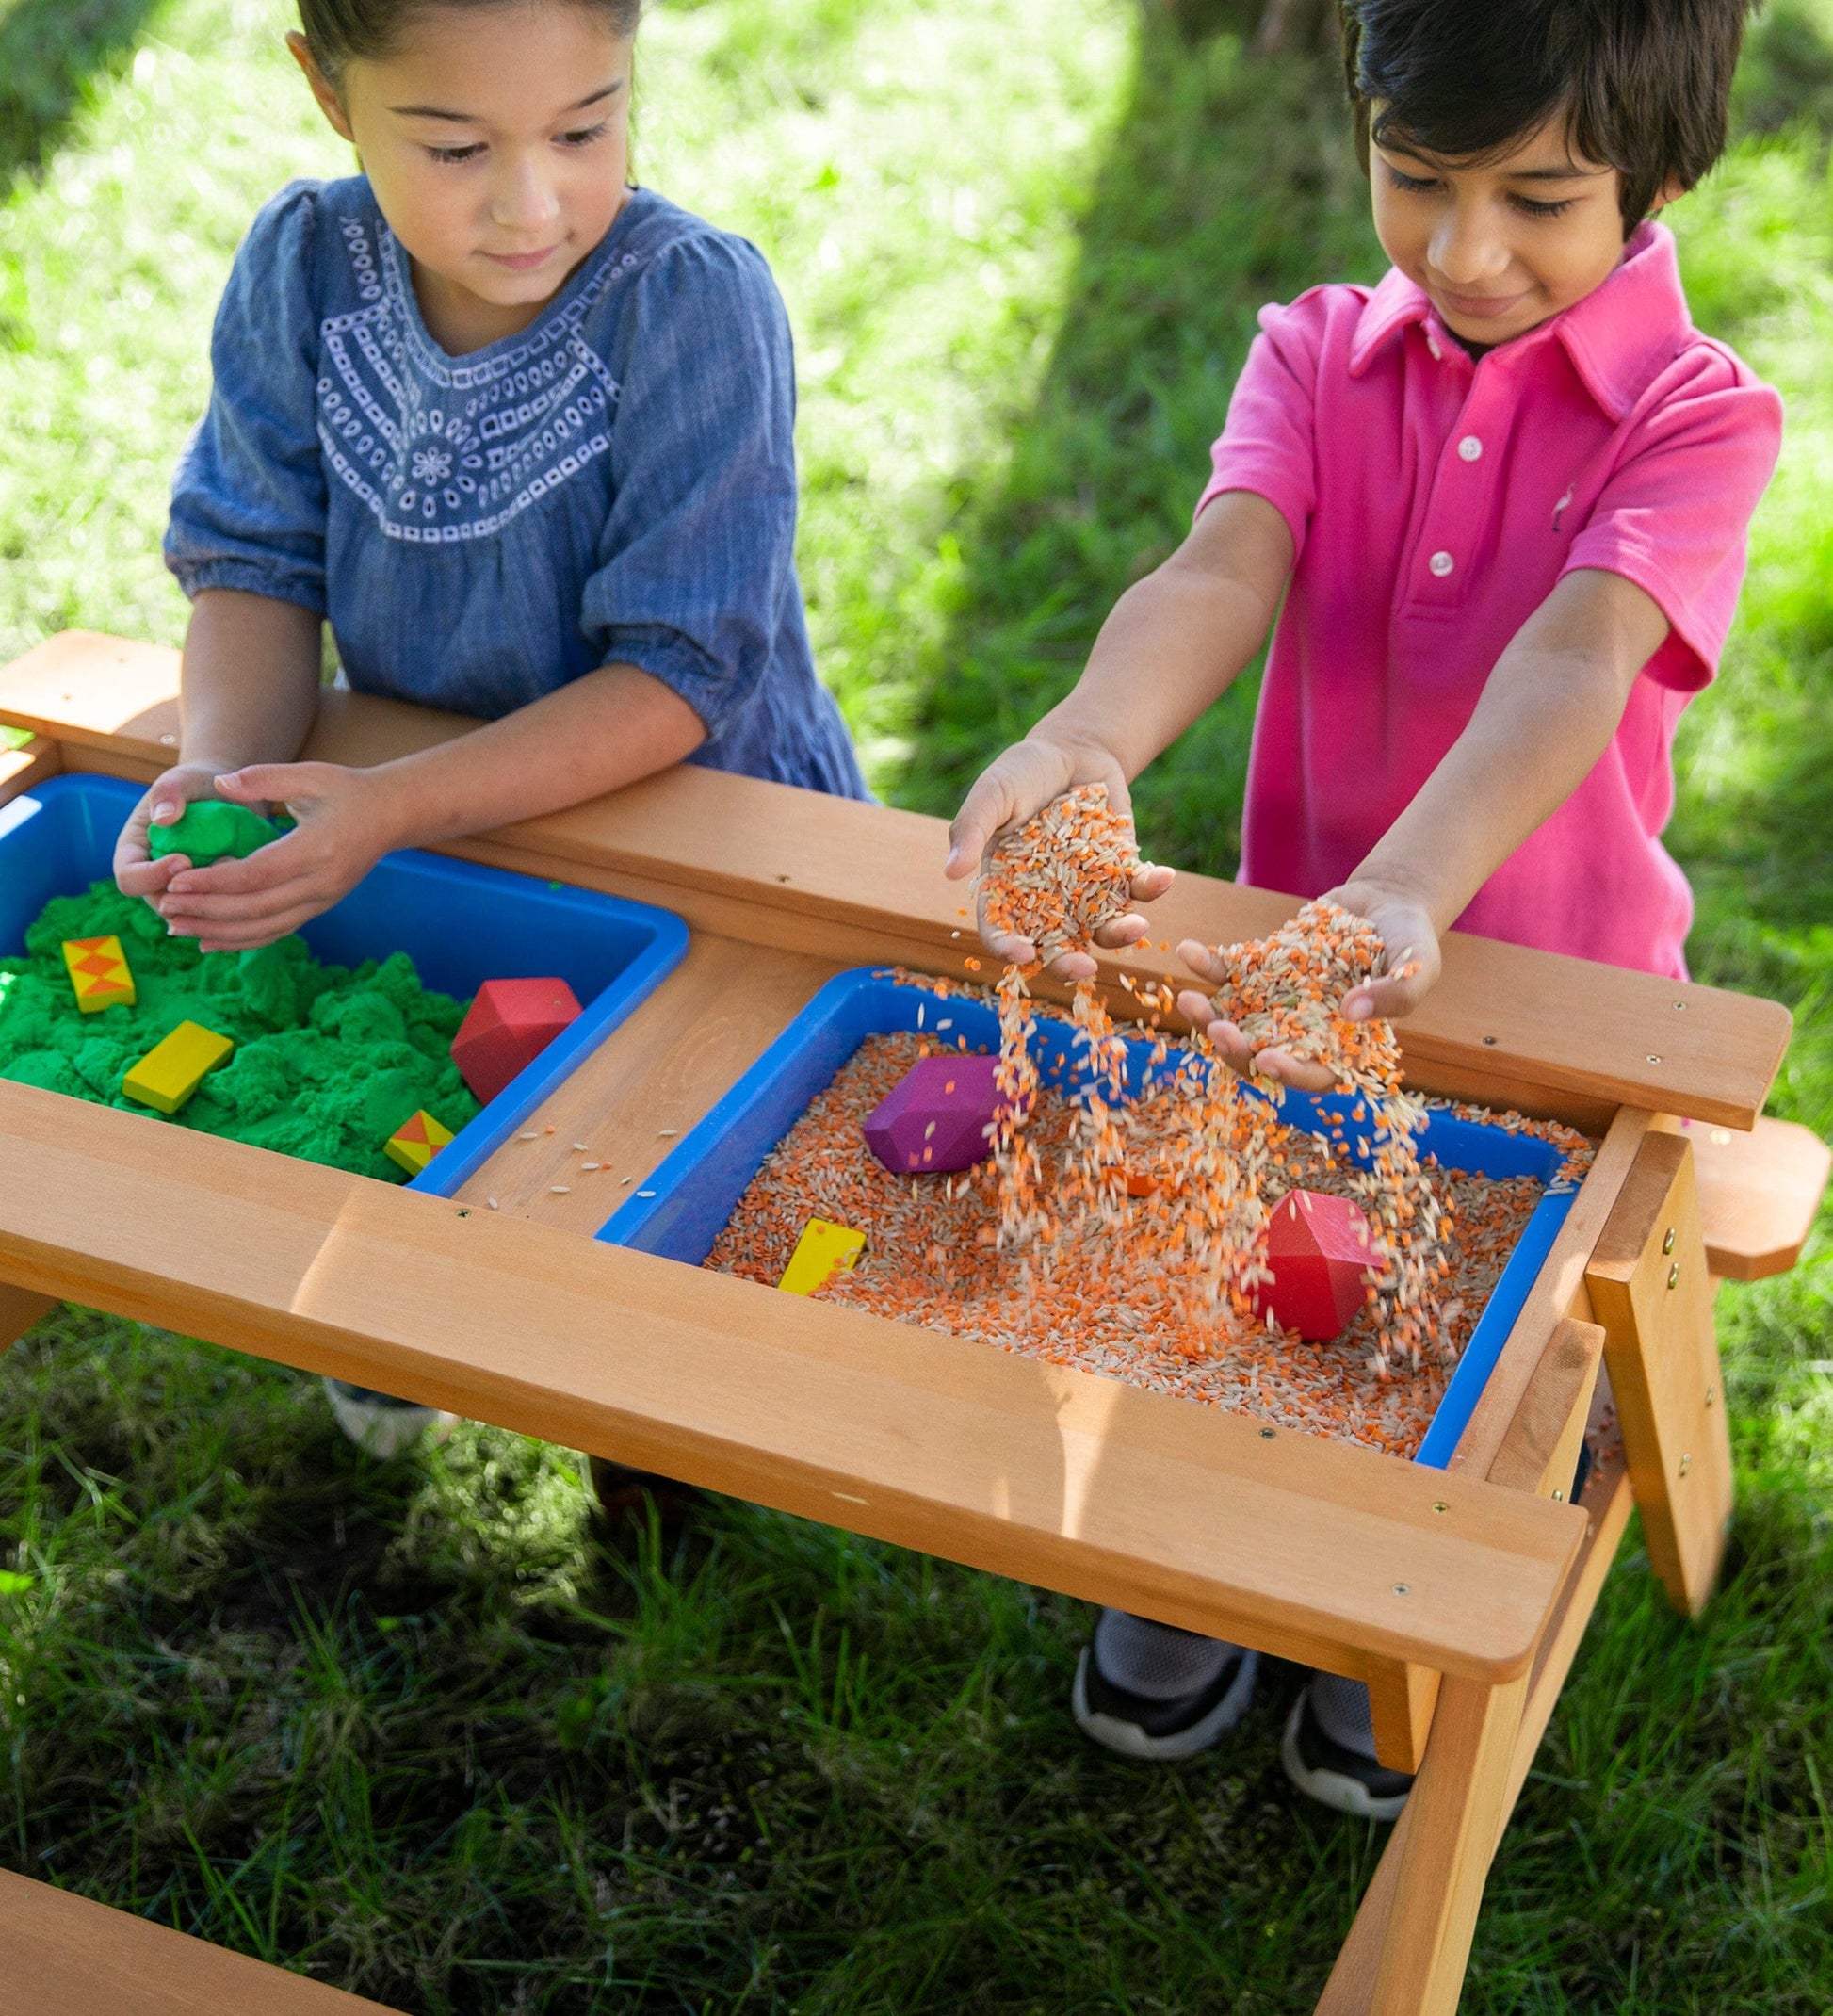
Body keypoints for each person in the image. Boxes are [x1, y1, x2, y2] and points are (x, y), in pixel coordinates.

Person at [946, 0, 1780, 1814]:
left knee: (1477, 1316)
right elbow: (1222, 561)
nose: (1464, 253)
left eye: (1537, 200)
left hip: (1548, 991)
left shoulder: (1694, 414)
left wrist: (1412, 876)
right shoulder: (1317, 354)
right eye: (1415, 180)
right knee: (1260, 1252)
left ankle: (1394, 1615)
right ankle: (1218, 1548)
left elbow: (1578, 656)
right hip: (1296, 962)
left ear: (1652, 173)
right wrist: (1090, 733)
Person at [122, 0, 867, 1455]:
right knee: (440, 1096)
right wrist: (216, 765)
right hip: (419, 826)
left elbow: (677, 673)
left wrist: (390, 807)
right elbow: (257, 567)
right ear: (330, 92)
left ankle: (657, 1451)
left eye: (586, 128)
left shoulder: (688, 302)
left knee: (651, 1203)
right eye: (456, 145)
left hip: (691, 836)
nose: (534, 203)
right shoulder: (305, 270)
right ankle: (406, 1321)